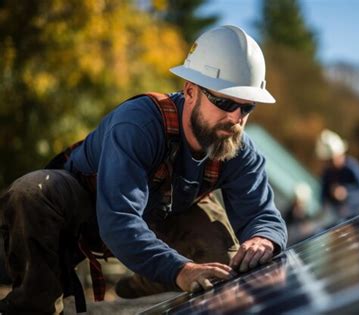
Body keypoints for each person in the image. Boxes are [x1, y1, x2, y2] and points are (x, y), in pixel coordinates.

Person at [0, 25, 287, 314]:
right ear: (190, 91)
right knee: (30, 192)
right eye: (224, 102)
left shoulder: (236, 145)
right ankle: (33, 306)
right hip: (92, 207)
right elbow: (118, 220)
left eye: (246, 107)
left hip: (164, 212)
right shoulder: (138, 125)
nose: (236, 118)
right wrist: (180, 269)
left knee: (224, 268)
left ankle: (146, 279)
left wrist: (264, 238)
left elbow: (262, 215)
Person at [316, 129, 359, 221]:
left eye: (332, 158)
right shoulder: (327, 174)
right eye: (328, 160)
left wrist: (346, 193)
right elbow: (323, 200)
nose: (330, 163)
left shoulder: (351, 167)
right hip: (345, 220)